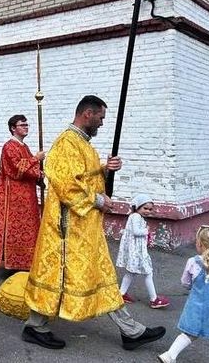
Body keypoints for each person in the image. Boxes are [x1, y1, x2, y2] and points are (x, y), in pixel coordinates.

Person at [22, 95, 165, 351]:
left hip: (83, 225)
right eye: (100, 117)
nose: (101, 123)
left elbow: (83, 175)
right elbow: (67, 185)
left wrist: (105, 169)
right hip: (67, 227)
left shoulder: (83, 143)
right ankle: (35, 326)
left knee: (97, 274)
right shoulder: (67, 142)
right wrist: (101, 200)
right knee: (62, 275)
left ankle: (129, 331)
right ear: (87, 114)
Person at [157, 226, 209, 363]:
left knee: (190, 333)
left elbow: (185, 283)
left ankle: (169, 355)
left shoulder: (192, 262)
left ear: (199, 244)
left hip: (195, 306)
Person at [0, 114, 45, 271]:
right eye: (22, 125)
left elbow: (30, 171)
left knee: (29, 227)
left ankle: (26, 262)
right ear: (13, 128)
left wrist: (40, 175)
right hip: (14, 197)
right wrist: (36, 159)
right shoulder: (9, 146)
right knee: (15, 229)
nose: (26, 127)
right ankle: (13, 262)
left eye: (27, 125)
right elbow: (16, 169)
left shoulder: (24, 147)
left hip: (28, 195)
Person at [117, 194, 170, 308]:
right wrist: (146, 231)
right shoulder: (136, 216)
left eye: (150, 209)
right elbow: (136, 232)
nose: (147, 211)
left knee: (131, 272)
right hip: (137, 252)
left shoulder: (136, 217)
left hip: (136, 250)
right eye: (145, 208)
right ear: (137, 207)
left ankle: (121, 293)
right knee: (148, 272)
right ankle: (154, 299)